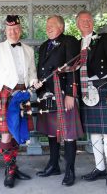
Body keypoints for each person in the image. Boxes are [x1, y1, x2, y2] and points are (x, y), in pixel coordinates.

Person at [0, 15, 40, 188]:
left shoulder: (29, 50)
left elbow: (32, 72)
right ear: (5, 30)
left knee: (19, 131)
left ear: (21, 30)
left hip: (23, 95)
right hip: (5, 94)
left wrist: (34, 81)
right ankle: (9, 169)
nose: (13, 32)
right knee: (6, 133)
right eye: (10, 29)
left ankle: (14, 167)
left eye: (16, 29)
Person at [76, 10, 107, 194]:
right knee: (95, 132)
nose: (86, 23)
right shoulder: (78, 44)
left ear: (93, 22)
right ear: (78, 24)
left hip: (104, 90)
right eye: (82, 21)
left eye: (89, 20)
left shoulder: (104, 38)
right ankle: (100, 168)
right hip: (86, 92)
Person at [35, 15, 83, 186]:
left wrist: (71, 93)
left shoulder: (69, 41)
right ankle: (53, 165)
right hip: (47, 94)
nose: (48, 28)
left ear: (61, 27)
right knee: (51, 132)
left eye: (52, 25)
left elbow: (73, 68)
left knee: (68, 134)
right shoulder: (42, 46)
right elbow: (41, 71)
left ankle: (70, 170)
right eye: (47, 25)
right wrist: (39, 91)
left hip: (63, 94)